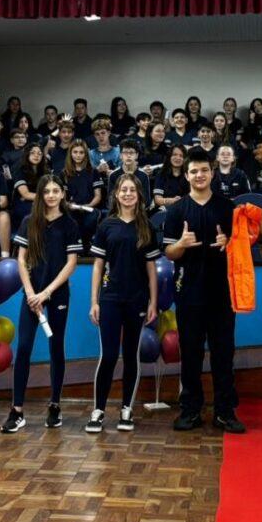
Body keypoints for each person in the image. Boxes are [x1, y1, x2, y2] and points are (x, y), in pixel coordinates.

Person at [164, 148, 243, 432]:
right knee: (191, 354)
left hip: (222, 294)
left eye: (204, 170)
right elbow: (169, 253)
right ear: (186, 176)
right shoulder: (176, 211)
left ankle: (224, 412)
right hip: (189, 294)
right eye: (194, 171)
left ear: (212, 173)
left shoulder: (227, 207)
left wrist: (229, 243)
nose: (199, 175)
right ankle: (190, 410)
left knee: (224, 354)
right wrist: (181, 245)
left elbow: (241, 250)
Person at [2, 175, 82, 433]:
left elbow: (71, 264)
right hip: (31, 295)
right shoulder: (29, 222)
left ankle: (55, 406)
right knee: (23, 347)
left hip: (55, 294)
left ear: (62, 194)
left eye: (55, 190)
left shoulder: (69, 224)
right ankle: (17, 411)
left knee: (56, 347)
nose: (50, 195)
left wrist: (46, 293)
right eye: (46, 191)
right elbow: (21, 259)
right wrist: (30, 292)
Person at [87, 174, 160, 433]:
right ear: (116, 194)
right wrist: (94, 301)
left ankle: (126, 409)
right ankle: (98, 410)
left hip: (137, 299)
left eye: (132, 190)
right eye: (123, 189)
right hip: (110, 299)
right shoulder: (106, 225)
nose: (128, 193)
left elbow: (151, 268)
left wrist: (153, 300)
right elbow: (98, 266)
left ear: (139, 195)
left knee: (131, 355)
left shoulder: (146, 226)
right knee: (108, 355)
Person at [62, 140, 103, 250]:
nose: (78, 155)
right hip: (71, 208)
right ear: (70, 153)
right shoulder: (64, 173)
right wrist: (69, 205)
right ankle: (78, 245)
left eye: (81, 152)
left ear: (85, 154)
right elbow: (63, 197)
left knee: (92, 217)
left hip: (89, 207)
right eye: (75, 152)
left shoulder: (93, 172)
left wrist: (88, 206)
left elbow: (98, 196)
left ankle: (84, 243)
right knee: (70, 218)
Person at [11, 142, 49, 231]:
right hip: (23, 204)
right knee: (35, 213)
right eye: (33, 153)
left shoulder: (45, 170)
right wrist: (45, 197)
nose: (36, 156)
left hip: (41, 201)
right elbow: (25, 194)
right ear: (27, 154)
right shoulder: (20, 170)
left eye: (39, 153)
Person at [106, 139, 151, 205]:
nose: (128, 156)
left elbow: (146, 201)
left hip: (137, 212)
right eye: (125, 153)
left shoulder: (143, 176)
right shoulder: (113, 175)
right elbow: (111, 200)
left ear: (137, 155)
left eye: (131, 153)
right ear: (121, 155)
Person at [153, 145, 190, 209]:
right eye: (174, 155)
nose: (178, 158)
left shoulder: (189, 175)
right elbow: (157, 199)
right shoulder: (161, 174)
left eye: (181, 156)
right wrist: (172, 200)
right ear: (169, 156)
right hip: (164, 209)